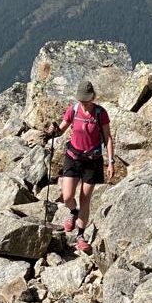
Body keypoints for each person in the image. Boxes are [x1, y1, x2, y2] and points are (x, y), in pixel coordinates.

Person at [47, 80, 115, 254]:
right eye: (81, 99)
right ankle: (73, 212)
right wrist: (53, 130)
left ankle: (81, 236)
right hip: (73, 157)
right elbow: (61, 130)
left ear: (93, 97)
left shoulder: (101, 113)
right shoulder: (74, 110)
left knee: (86, 198)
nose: (84, 103)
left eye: (86, 99)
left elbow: (107, 138)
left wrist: (111, 162)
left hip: (93, 160)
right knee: (67, 195)